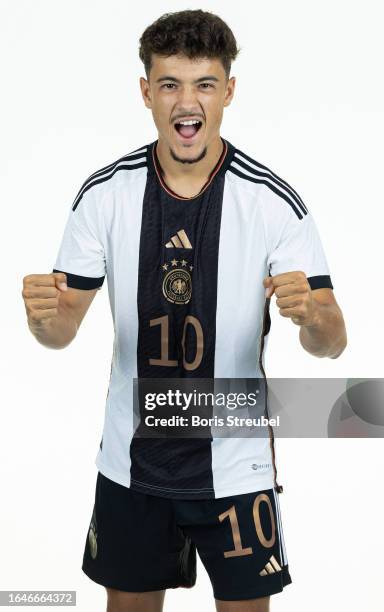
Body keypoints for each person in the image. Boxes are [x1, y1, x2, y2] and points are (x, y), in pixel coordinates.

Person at [22, 9, 347, 612]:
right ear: (146, 92)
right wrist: (45, 319)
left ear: (228, 91)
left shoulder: (272, 203)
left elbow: (333, 342)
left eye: (202, 84)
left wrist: (313, 316)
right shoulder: (106, 195)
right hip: (131, 459)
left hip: (237, 463)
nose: (185, 101)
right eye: (169, 84)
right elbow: (61, 331)